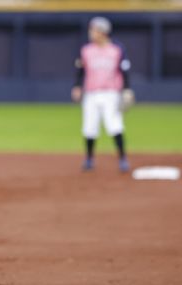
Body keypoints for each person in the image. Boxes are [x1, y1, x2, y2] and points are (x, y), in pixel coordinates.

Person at [71, 16, 135, 172]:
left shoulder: (116, 49)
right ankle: (89, 159)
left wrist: (126, 89)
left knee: (114, 125)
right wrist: (77, 86)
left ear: (103, 32)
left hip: (111, 93)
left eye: (94, 30)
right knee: (89, 127)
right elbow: (80, 70)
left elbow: (124, 70)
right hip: (91, 93)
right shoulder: (86, 50)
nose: (91, 33)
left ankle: (122, 158)